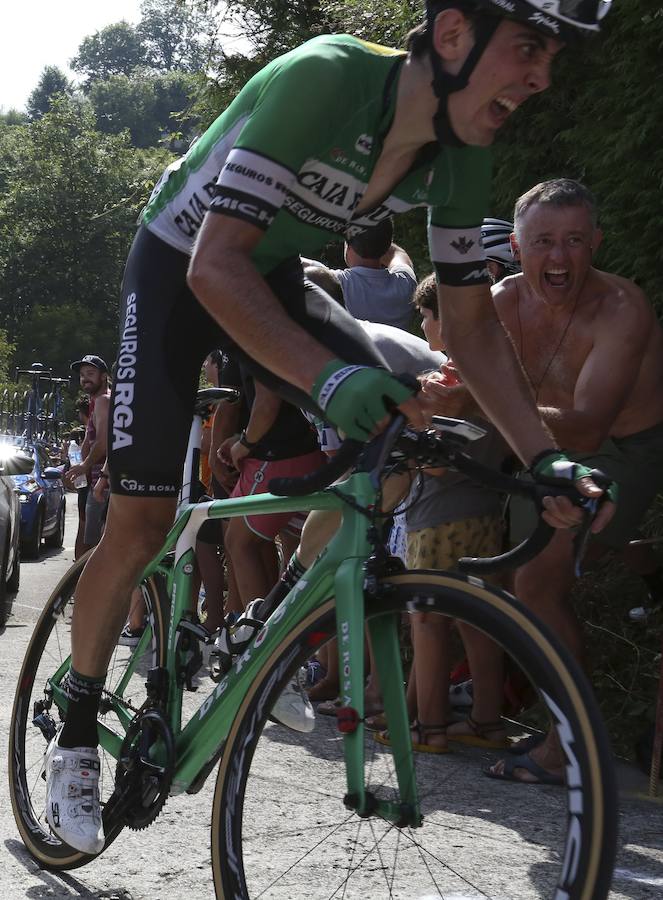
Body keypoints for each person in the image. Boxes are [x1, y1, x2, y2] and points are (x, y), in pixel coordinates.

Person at [44, 2, 614, 854]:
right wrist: (327, 376)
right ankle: (78, 725)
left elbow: (468, 322)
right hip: (179, 263)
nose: (540, 77)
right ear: (453, 34)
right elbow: (212, 263)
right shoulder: (327, 78)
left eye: (550, 59)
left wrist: (547, 457)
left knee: (408, 396)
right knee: (139, 520)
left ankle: (273, 617)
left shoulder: (462, 148)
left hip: (267, 274)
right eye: (528, 47)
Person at [483, 178, 663, 783]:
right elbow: (465, 380)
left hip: (619, 447)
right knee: (516, 577)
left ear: (597, 243)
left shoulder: (622, 306)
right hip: (544, 446)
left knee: (536, 582)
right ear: (515, 245)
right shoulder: (502, 301)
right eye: (543, 243)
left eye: (574, 241)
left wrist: (484, 404)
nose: (558, 259)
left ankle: (570, 746)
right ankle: (635, 560)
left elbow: (586, 429)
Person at [328, 217, 417, 329]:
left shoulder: (337, 283)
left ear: (349, 247)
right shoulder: (405, 282)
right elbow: (398, 253)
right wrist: (377, 239)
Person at [65, 356, 111, 555]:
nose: (85, 379)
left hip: (105, 484)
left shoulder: (104, 401)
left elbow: (104, 442)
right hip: (95, 481)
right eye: (82, 375)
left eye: (90, 374)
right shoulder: (95, 402)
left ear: (104, 376)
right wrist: (76, 468)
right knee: (91, 542)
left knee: (96, 550)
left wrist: (85, 466)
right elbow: (88, 443)